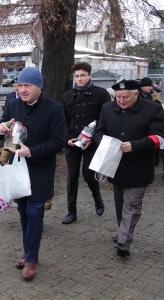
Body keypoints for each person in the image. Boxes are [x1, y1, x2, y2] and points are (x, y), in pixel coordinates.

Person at [0, 66, 65, 280]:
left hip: (40, 169)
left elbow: (59, 141)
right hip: (17, 168)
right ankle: (28, 253)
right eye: (20, 85)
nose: (22, 90)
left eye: (27, 85)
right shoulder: (13, 105)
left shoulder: (54, 109)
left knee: (35, 212)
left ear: (39, 87)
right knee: (23, 212)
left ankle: (32, 259)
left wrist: (32, 151)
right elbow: (3, 132)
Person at [93, 79, 164, 257]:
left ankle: (124, 241)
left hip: (139, 167)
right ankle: (122, 231)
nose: (121, 101)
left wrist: (135, 145)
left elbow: (159, 137)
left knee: (132, 205)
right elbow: (99, 132)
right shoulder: (107, 108)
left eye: (125, 97)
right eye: (118, 97)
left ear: (136, 94)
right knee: (120, 204)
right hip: (115, 167)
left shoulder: (153, 109)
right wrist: (105, 142)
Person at [61, 62, 110, 225]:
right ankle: (71, 212)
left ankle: (97, 198)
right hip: (73, 141)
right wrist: (67, 137)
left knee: (89, 174)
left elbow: (105, 120)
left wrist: (93, 137)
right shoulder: (67, 95)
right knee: (72, 177)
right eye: (77, 76)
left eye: (82, 75)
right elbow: (64, 120)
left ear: (90, 75)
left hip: (91, 142)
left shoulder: (101, 94)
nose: (79, 79)